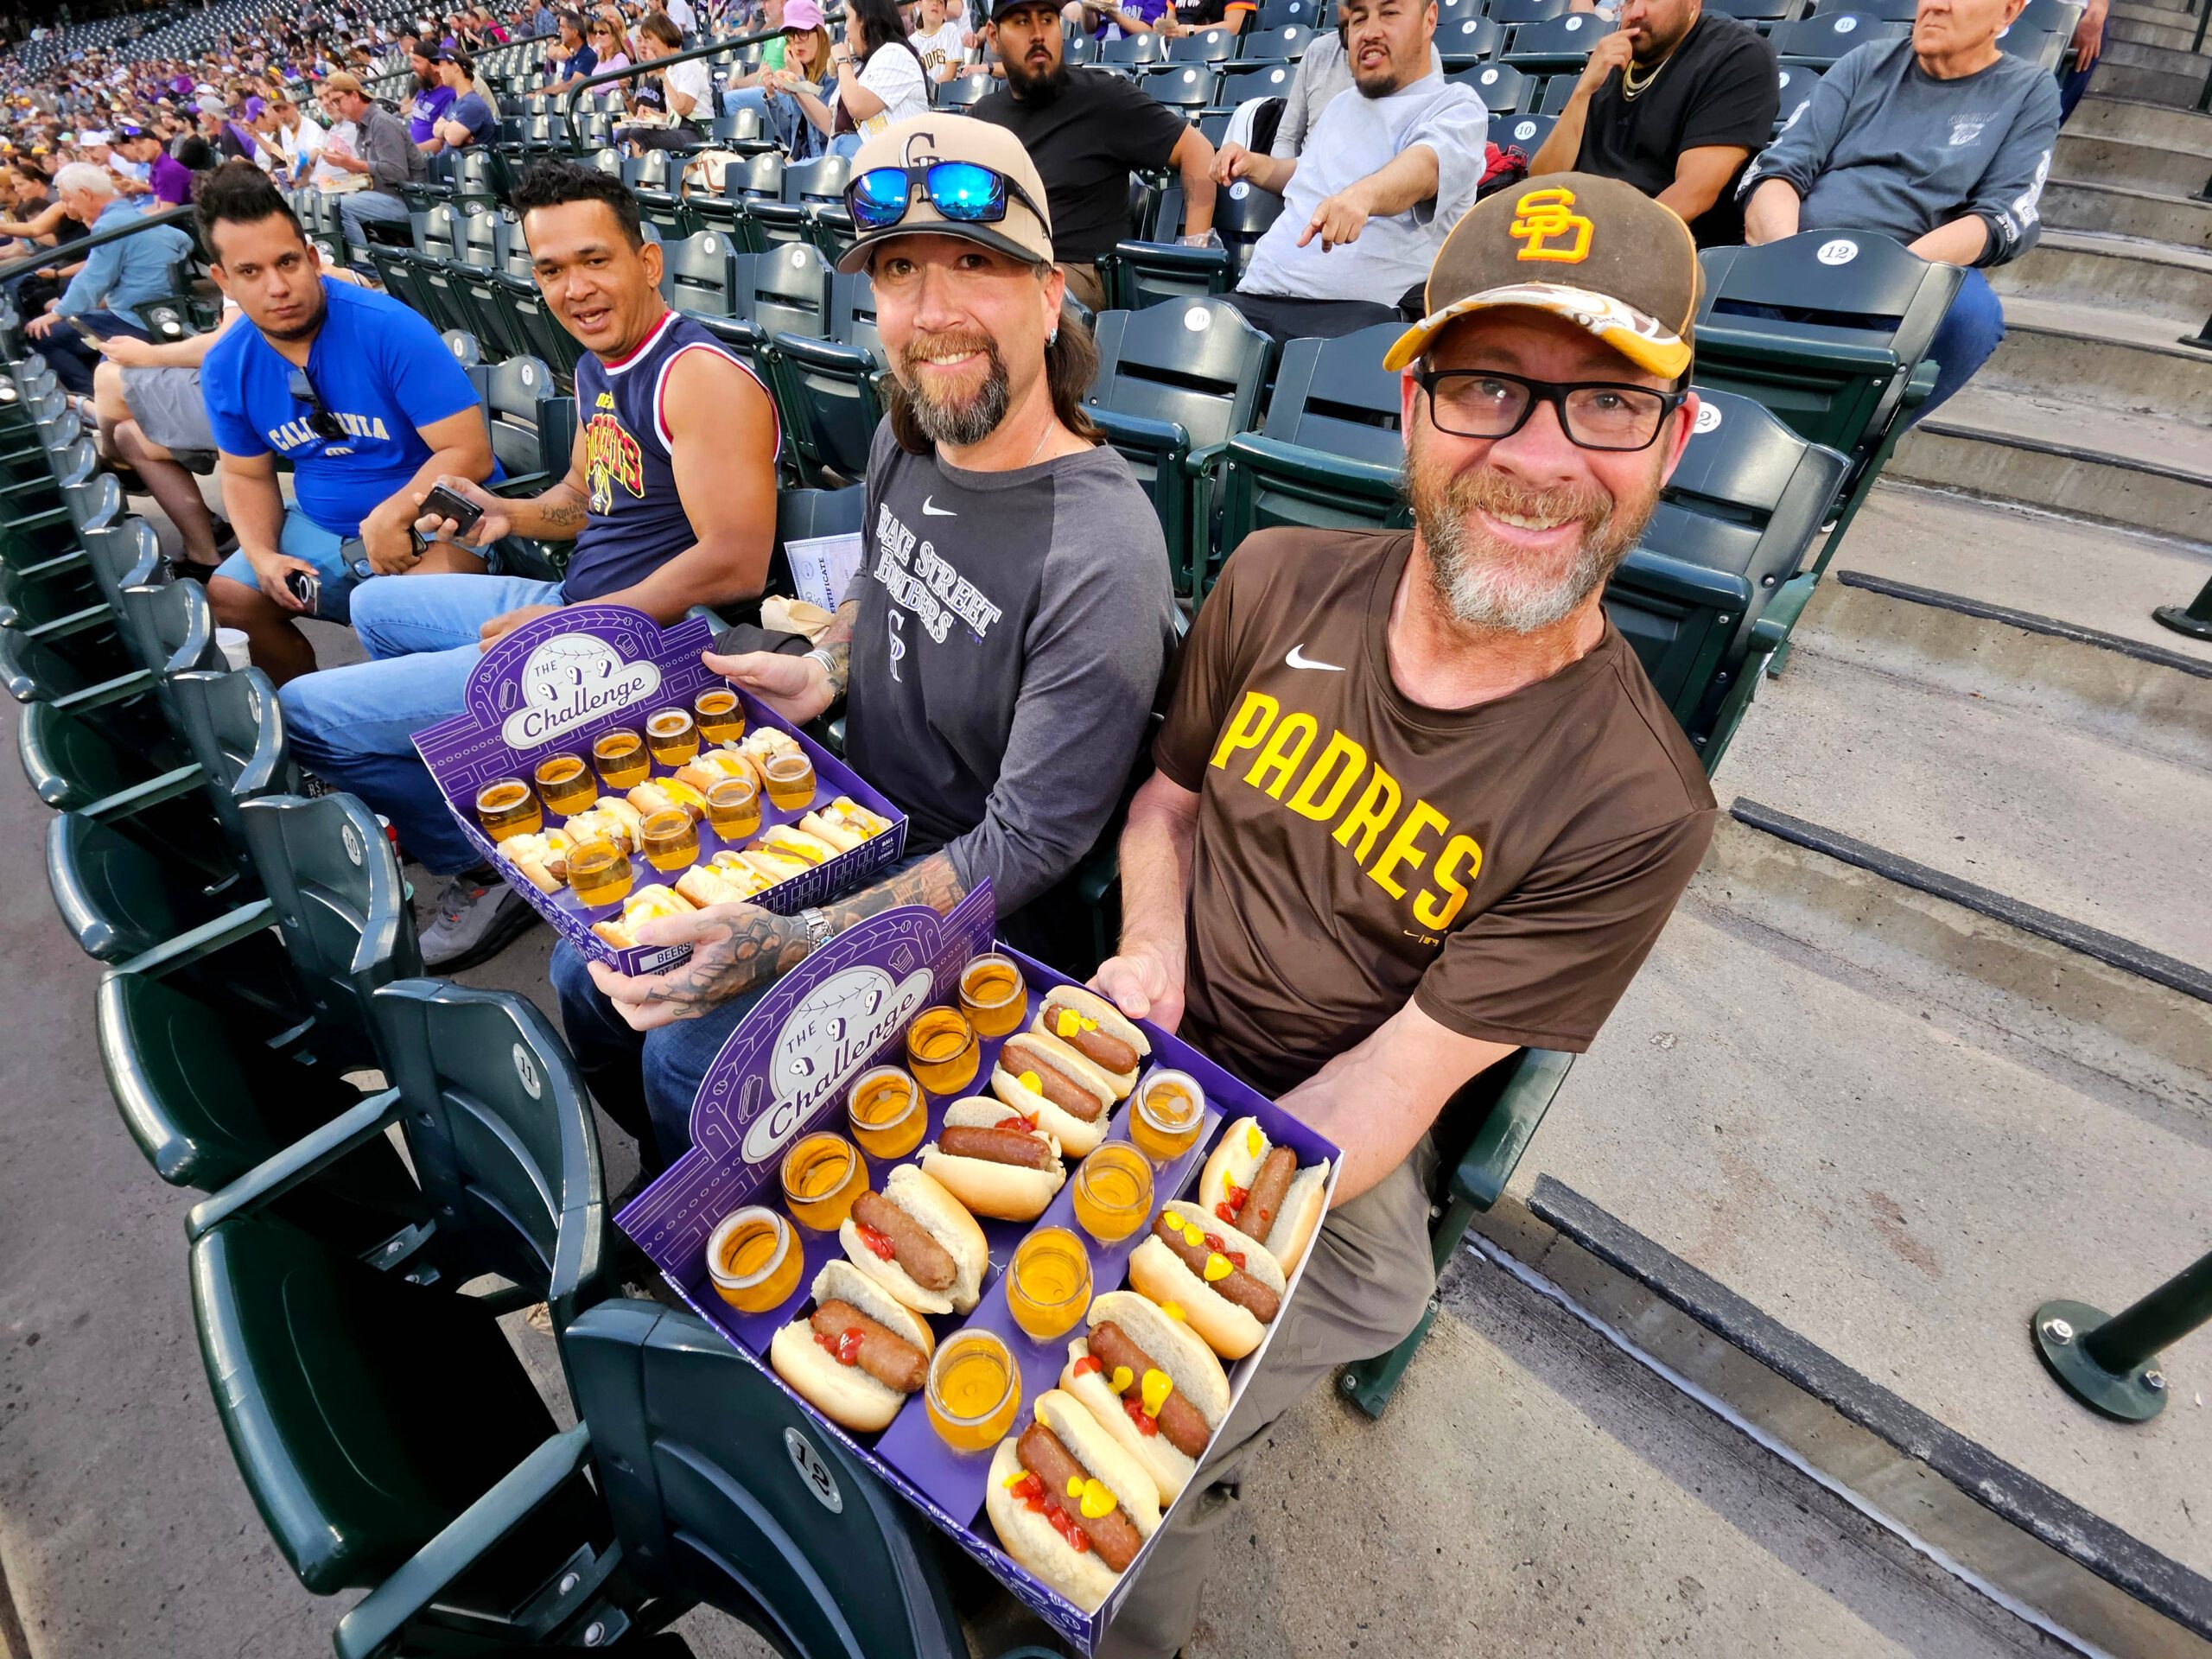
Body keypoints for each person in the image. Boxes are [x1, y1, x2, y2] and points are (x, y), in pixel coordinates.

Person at [1090, 172, 1718, 1659]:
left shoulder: (1637, 804)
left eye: (1607, 405)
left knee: (1133, 1439)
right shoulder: (1275, 575)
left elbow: (1394, 1081)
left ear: (1677, 440)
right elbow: (1165, 810)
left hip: (1340, 1172)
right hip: (1153, 1039)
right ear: (1412, 408)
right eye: (1486, 389)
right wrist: (1146, 950)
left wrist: (1164, 1205)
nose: (1537, 460)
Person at [551, 116, 1177, 1162]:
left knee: (686, 1053)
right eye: (898, 272)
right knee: (589, 967)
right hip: (857, 822)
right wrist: (823, 670)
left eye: (975, 263)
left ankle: (718, 1236)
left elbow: (1024, 847)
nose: (932, 313)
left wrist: (791, 944)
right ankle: (683, 1202)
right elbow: (882, 587)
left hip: (990, 902)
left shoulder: (1103, 548)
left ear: (1049, 293)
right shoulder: (912, 430)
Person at [277, 162, 779, 969]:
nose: (573, 288)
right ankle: (509, 788)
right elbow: (584, 495)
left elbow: (735, 563)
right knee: (375, 606)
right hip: (578, 596)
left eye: (594, 260)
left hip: (648, 640)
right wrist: (506, 511)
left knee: (302, 713)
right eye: (550, 269)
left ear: (647, 263)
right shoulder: (598, 363)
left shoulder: (697, 378)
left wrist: (567, 625)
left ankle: (486, 864)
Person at [194, 162, 499, 683]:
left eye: (287, 262)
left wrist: (393, 515)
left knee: (409, 606)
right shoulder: (227, 365)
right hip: (318, 526)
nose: (277, 287)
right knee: (230, 595)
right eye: (250, 272)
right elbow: (246, 476)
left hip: (432, 519)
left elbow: (469, 453)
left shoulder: (388, 327)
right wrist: (263, 555)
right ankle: (317, 736)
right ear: (224, 280)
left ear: (312, 258)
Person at [1736, 0, 2058, 419]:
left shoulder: (2030, 90)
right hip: (1798, 251)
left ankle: (1854, 450)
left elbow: (2002, 215)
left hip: (1910, 272)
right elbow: (1780, 166)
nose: (1936, 6)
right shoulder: (1865, 61)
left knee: (1972, 317)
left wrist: (1887, 275)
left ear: (2008, 13)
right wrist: (1791, 262)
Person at [1214, 0, 1486, 342]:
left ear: (1429, 18)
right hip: (1258, 292)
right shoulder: (1341, 104)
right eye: (1358, 19)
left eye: (1389, 13)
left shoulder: (1456, 106)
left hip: (1351, 317)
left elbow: (1425, 166)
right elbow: (1306, 174)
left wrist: (1364, 196)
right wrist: (1254, 164)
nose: (1369, 32)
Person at [975, 0, 1217, 313]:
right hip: (1003, 270)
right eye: (1021, 22)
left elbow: (1196, 150)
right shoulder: (982, 118)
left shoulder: (1103, 98)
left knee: (1010, 303)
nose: (1038, 34)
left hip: (1081, 275)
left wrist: (1196, 253)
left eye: (1047, 20)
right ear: (993, 36)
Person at [1529, 0, 1776, 246]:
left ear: (1692, 3)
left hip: (1660, 249)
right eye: (1629, 1)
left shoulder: (1736, 55)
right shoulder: (1610, 60)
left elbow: (1694, 195)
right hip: (1571, 236)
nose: (1636, 13)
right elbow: (1541, 182)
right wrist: (1582, 91)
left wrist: (1600, 246)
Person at [21, 162, 192, 397]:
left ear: (85, 195)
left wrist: (56, 313)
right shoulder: (129, 215)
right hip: (155, 311)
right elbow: (183, 240)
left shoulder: (110, 224)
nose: (66, 207)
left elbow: (93, 280)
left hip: (136, 319)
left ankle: (93, 398)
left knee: (43, 336)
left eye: (67, 200)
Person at [776, 0, 930, 160]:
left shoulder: (896, 54)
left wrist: (843, 61)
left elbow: (857, 106)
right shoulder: (857, 65)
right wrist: (797, 88)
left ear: (865, 20)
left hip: (886, 168)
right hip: (842, 162)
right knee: (778, 177)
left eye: (848, 18)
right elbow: (830, 124)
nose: (845, 28)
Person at [318, 72, 426, 251]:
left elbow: (397, 172)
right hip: (383, 195)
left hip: (406, 200)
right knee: (326, 201)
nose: (337, 107)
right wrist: (348, 168)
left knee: (338, 205)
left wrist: (354, 164)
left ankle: (367, 268)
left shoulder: (381, 122)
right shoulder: (362, 125)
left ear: (354, 95)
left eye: (338, 100)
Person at [617, 11, 711, 149]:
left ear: (662, 36)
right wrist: (652, 114)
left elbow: (683, 109)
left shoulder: (689, 65)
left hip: (697, 132)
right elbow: (672, 116)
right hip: (678, 128)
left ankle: (642, 170)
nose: (647, 47)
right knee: (625, 134)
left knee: (638, 135)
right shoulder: (670, 70)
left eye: (649, 39)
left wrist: (661, 74)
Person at [427, 47, 498, 149]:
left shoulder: (473, 104)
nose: (439, 71)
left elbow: (452, 138)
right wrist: (450, 126)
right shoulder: (454, 102)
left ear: (456, 67)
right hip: (452, 163)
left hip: (469, 164)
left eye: (442, 66)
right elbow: (435, 130)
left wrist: (447, 129)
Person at [402, 41, 454, 147]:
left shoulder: (450, 94)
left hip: (426, 158)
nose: (412, 65)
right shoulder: (424, 88)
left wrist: (408, 153)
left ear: (433, 65)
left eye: (416, 61)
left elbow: (443, 142)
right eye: (411, 60)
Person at [908, 0, 967, 81]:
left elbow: (950, 73)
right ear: (919, 5)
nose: (935, 3)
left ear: (944, 12)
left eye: (940, 2)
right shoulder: (911, 42)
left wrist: (930, 91)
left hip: (946, 90)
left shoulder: (950, 30)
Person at [545, 8, 600, 91]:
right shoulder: (571, 59)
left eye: (563, 27)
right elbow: (560, 84)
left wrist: (542, 93)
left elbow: (572, 85)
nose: (559, 30)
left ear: (575, 32)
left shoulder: (588, 56)